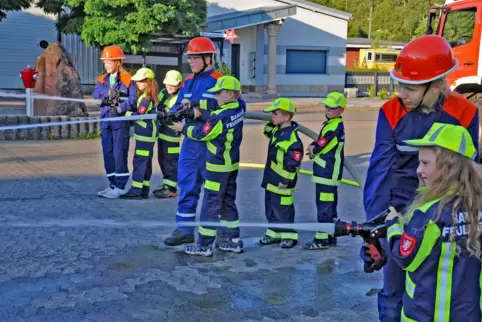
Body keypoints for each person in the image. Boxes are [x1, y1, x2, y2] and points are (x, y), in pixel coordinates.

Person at [362, 34, 480, 322]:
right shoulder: (390, 112)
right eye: (400, 84)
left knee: (452, 290)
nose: (401, 93)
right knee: (393, 288)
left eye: (410, 87)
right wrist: (374, 230)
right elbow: (380, 172)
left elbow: (471, 169)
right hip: (401, 210)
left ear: (437, 84)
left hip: (448, 216)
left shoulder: (465, 112)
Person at [385, 122, 482, 321]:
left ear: (449, 168)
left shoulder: (429, 214)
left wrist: (393, 225)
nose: (418, 170)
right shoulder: (477, 207)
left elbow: (405, 256)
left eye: (425, 163)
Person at [163, 37, 246, 246]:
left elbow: (235, 108)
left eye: (194, 58)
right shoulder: (188, 82)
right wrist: (168, 114)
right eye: (189, 58)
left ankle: (223, 235)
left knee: (215, 195)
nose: (190, 61)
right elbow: (178, 108)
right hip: (191, 144)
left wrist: (199, 110)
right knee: (187, 186)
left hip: (211, 146)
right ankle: (184, 230)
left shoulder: (220, 81)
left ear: (208, 59)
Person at [173, 75, 245, 256]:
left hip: (216, 168)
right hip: (230, 166)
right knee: (228, 202)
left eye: (219, 93)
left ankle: (204, 245)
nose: (216, 97)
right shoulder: (238, 109)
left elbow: (201, 134)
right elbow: (213, 115)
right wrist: (196, 110)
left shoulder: (219, 117)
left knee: (210, 205)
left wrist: (183, 128)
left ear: (229, 94)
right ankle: (233, 240)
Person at [258, 98, 304, 249]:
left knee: (283, 210)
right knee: (271, 208)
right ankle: (274, 233)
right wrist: (272, 121)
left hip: (282, 182)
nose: (272, 116)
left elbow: (293, 163)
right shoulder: (277, 131)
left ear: (286, 117)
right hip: (271, 179)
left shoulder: (292, 139)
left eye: (275, 113)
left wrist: (286, 180)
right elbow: (267, 130)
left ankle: (288, 236)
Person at [93, 45, 137, 199]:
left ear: (118, 62)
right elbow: (96, 95)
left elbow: (133, 100)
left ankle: (120, 185)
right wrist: (103, 99)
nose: (106, 65)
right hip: (106, 121)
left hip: (120, 123)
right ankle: (112, 184)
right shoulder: (102, 79)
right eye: (104, 62)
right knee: (108, 154)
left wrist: (120, 108)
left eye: (109, 62)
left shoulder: (127, 79)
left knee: (119, 154)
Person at [304, 92, 346, 250]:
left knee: (324, 207)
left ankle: (321, 239)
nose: (328, 109)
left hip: (326, 174)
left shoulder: (334, 127)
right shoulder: (332, 124)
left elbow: (320, 147)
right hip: (327, 175)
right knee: (329, 206)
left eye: (332, 108)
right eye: (327, 106)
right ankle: (330, 236)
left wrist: (312, 148)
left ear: (341, 110)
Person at [120, 67, 159, 199]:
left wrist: (125, 113)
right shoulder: (146, 96)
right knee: (146, 163)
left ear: (148, 82)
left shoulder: (146, 98)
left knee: (139, 162)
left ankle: (136, 190)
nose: (137, 83)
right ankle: (144, 190)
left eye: (140, 81)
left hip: (145, 135)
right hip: (147, 134)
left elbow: (139, 115)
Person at [153, 70, 183, 199]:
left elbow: (176, 113)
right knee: (162, 159)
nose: (169, 87)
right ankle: (167, 184)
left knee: (171, 161)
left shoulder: (181, 96)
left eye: (173, 85)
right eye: (167, 84)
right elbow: (157, 106)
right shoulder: (163, 93)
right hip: (162, 133)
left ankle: (171, 188)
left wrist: (164, 114)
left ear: (179, 84)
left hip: (172, 135)